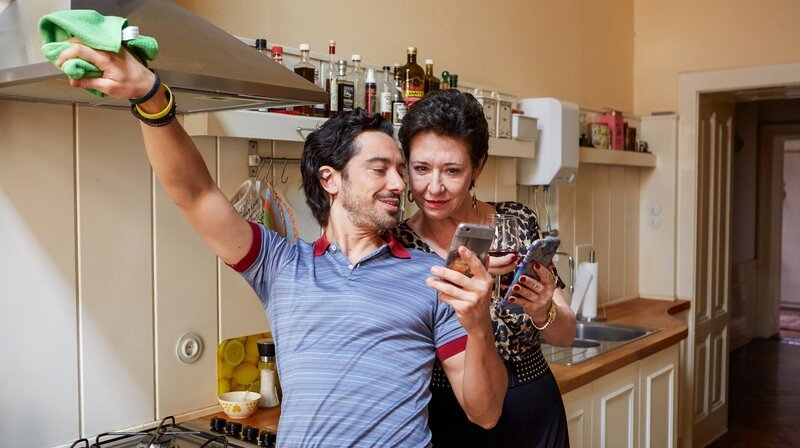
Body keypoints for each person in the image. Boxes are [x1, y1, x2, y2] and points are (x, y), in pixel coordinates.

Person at [56, 42, 507, 446]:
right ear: (331, 179)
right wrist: (149, 97)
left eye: (400, 170)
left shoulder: (433, 278)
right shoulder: (282, 264)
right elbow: (195, 193)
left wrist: (478, 325)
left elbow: (484, 414)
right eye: (380, 169)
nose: (400, 184)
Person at [394, 89, 577, 447]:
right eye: (421, 169)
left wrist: (544, 311)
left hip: (532, 407)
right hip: (446, 412)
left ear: (477, 168)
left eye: (452, 171)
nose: (434, 187)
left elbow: (566, 335)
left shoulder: (517, 222)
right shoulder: (398, 245)